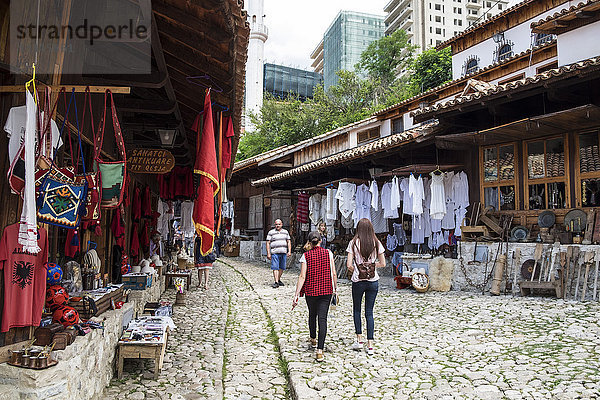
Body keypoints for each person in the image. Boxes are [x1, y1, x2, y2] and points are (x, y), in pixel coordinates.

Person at [293, 231, 337, 362]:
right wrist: (335, 289)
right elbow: (333, 273)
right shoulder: (328, 253)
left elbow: (302, 276)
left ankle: (313, 339)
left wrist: (296, 294)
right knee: (322, 318)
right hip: (326, 290)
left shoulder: (305, 256)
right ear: (321, 241)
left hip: (311, 291)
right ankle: (320, 350)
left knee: (312, 314)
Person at [346, 218, 386, 355]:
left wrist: (358, 270)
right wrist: (371, 267)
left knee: (357, 309)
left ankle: (359, 339)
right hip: (373, 280)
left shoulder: (353, 243)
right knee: (369, 312)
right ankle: (370, 345)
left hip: (358, 281)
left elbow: (349, 265)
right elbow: (383, 263)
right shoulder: (376, 242)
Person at [266, 219, 291, 288]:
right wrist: (268, 253)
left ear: (282, 224)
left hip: (283, 252)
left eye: (279, 224)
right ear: (275, 225)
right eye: (276, 224)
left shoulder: (285, 232)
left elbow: (288, 241)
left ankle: (278, 279)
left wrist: (289, 251)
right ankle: (276, 282)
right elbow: (268, 243)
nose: (278, 225)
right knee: (275, 267)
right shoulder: (271, 232)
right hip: (275, 252)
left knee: (282, 267)